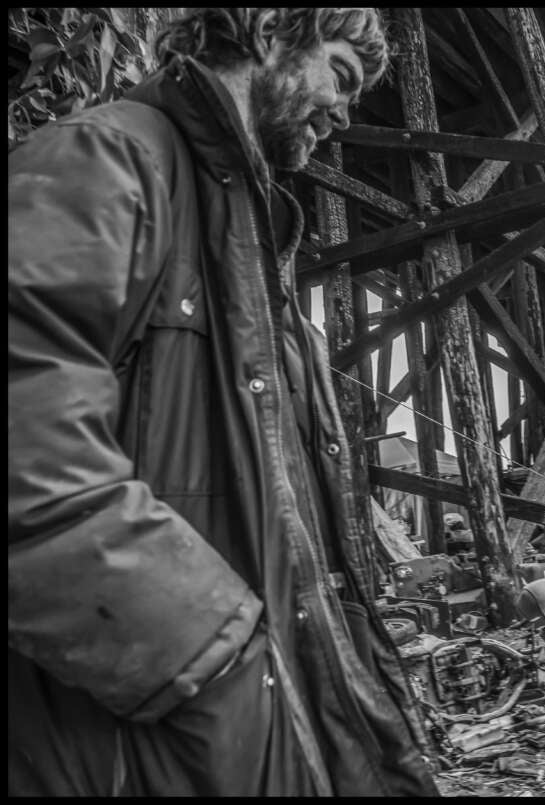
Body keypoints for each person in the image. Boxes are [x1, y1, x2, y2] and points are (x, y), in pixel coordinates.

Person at [9, 8, 437, 796]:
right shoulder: (107, 159)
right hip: (152, 730)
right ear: (272, 31)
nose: (345, 114)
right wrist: (221, 662)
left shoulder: (248, 248)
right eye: (340, 74)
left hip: (231, 729)